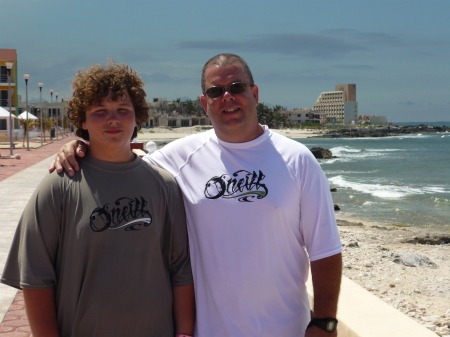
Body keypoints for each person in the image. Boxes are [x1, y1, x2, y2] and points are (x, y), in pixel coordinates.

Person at [50, 54, 342, 337]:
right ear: (205, 103)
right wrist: (82, 147)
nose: (227, 96)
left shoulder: (298, 160)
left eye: (237, 87)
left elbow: (325, 249)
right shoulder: (180, 157)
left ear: (254, 93)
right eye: (215, 91)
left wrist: (325, 322)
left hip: (285, 328)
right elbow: (123, 165)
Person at [1, 62, 195, 337]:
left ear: (138, 117)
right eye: (100, 111)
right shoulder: (59, 184)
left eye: (123, 110)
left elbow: (181, 270)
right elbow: (36, 279)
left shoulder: (164, 185)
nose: (112, 119)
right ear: (82, 119)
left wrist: (185, 333)